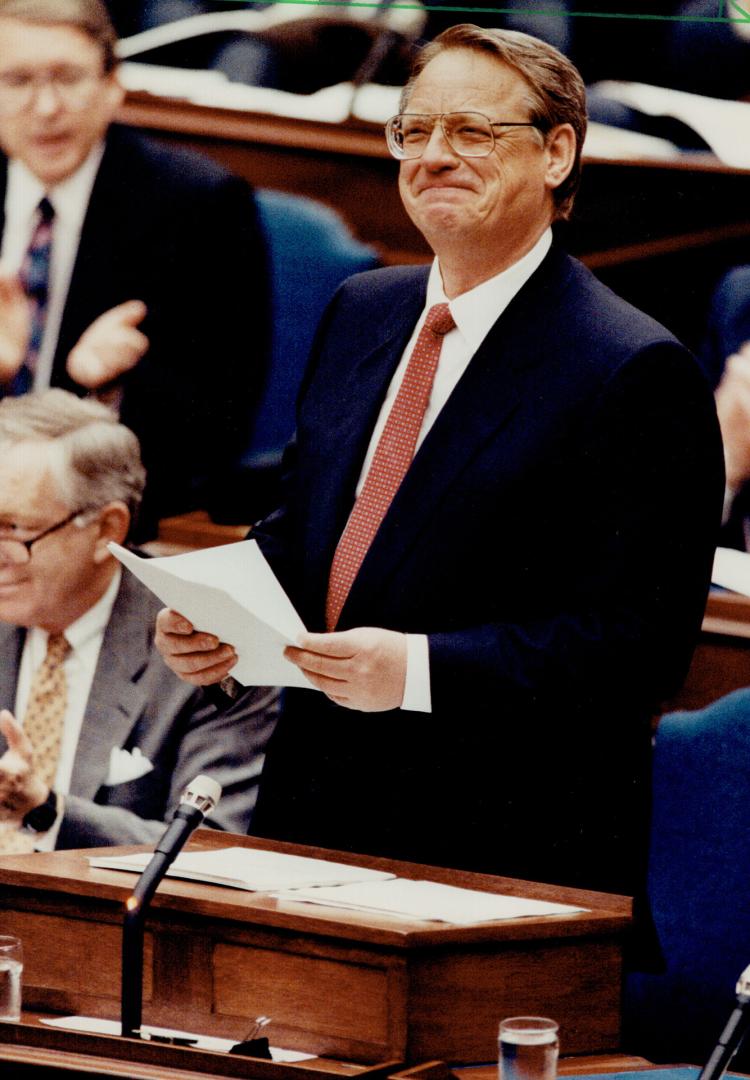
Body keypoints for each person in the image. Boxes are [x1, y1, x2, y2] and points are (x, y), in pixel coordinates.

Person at [155, 25, 724, 902]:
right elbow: (307, 525)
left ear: (558, 152)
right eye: (413, 132)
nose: (433, 156)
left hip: (503, 846)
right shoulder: (363, 308)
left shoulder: (631, 367)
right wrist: (221, 619)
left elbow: (636, 651)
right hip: (312, 814)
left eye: (473, 133)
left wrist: (419, 670)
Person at [0, 0, 269, 537]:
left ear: (112, 84)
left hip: (88, 520)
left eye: (68, 78)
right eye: (17, 80)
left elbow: (221, 425)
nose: (46, 107)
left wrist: (107, 395)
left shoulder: (200, 206)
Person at [0, 388, 278, 853]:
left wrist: (47, 810)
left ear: (107, 529)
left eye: (13, 530)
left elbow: (211, 848)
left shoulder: (209, 648)